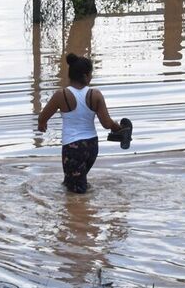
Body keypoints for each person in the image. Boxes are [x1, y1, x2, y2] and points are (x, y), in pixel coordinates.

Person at [37, 53, 122, 193]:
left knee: (76, 192)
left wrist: (42, 125)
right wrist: (119, 128)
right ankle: (82, 207)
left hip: (73, 148)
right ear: (85, 76)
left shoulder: (61, 95)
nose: (91, 77)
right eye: (91, 74)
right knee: (72, 183)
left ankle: (81, 212)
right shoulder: (95, 95)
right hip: (91, 147)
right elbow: (107, 123)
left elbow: (42, 117)